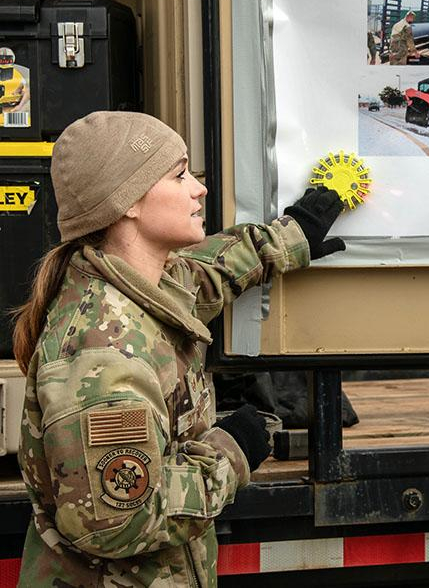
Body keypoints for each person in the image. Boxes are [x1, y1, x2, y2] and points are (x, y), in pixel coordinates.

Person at [12, 112, 346, 586]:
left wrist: (292, 235)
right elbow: (118, 523)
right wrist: (232, 452)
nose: (199, 189)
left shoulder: (141, 286)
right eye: (179, 174)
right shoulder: (104, 355)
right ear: (126, 202)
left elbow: (206, 273)